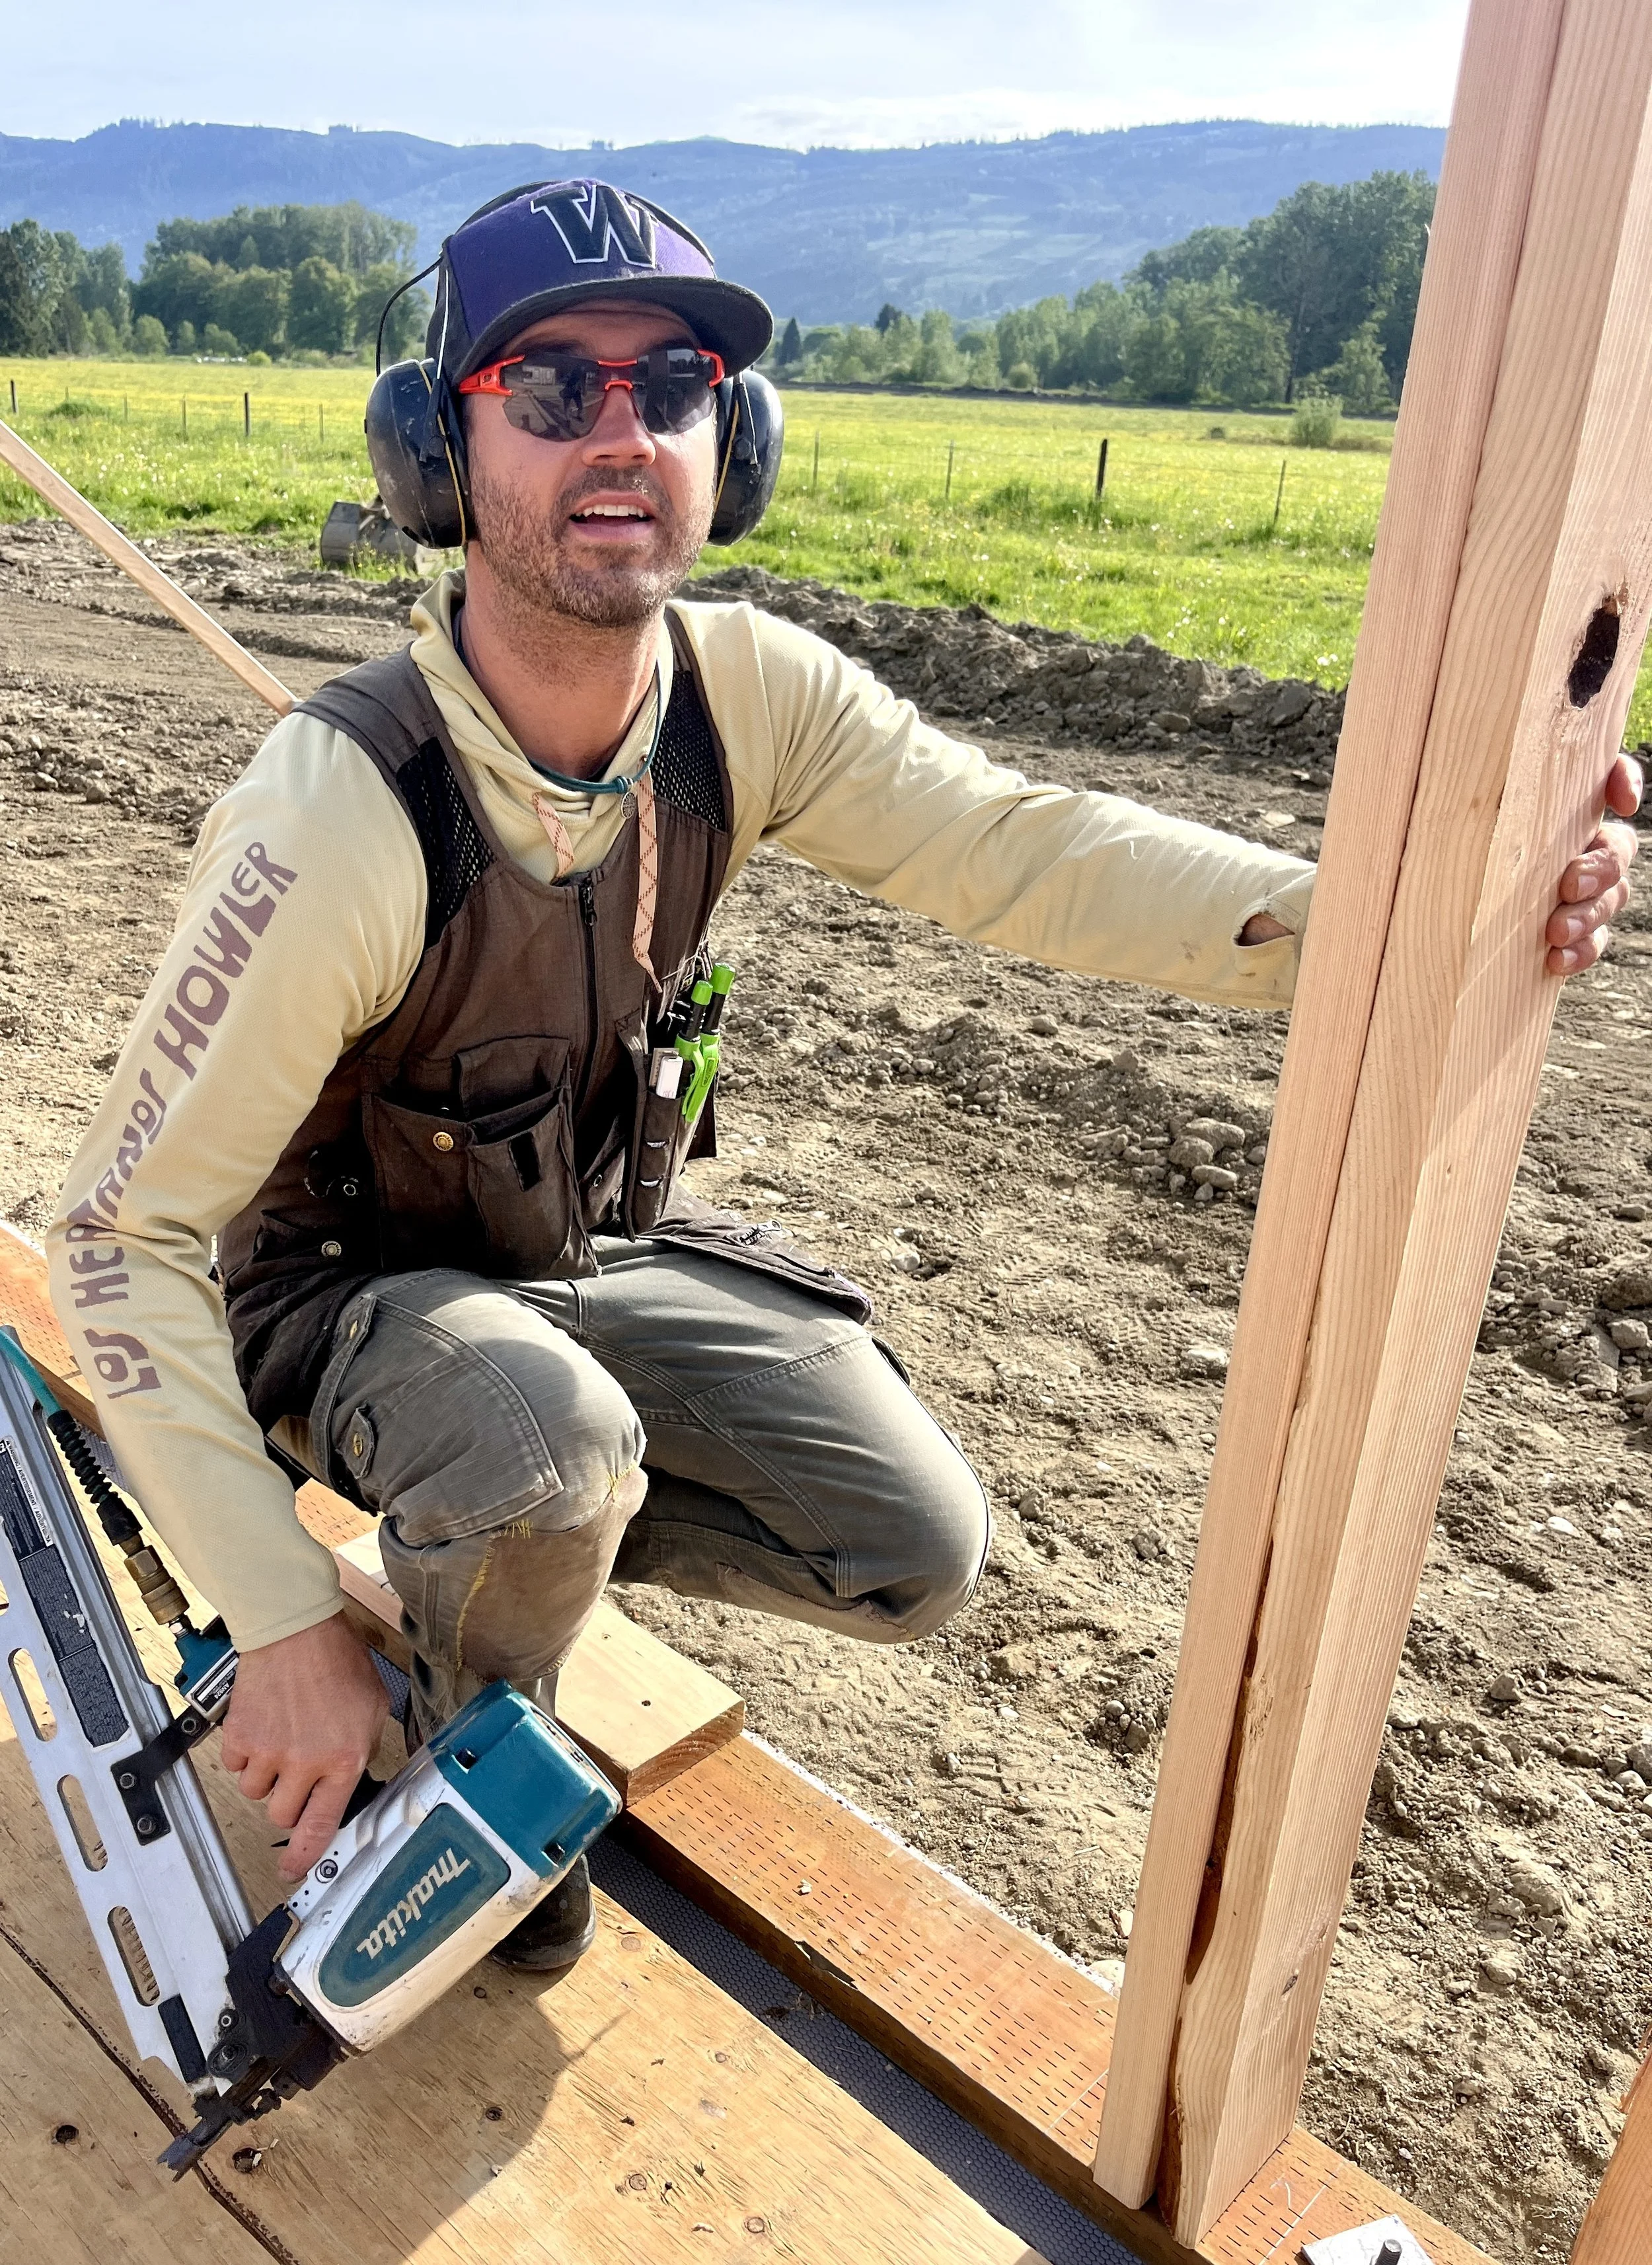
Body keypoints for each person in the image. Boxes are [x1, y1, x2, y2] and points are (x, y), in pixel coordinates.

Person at [46, 180, 1640, 1974]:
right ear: (437, 449)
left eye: (673, 386)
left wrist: (1397, 917)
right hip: (323, 1306)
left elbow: (1023, 846)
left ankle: (477, 1555)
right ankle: (461, 1746)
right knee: (542, 1447)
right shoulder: (341, 814)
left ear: (740, 443)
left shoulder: (748, 702)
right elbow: (117, 1240)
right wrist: (275, 1620)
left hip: (538, 1266)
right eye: (551, 391)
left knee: (908, 1540)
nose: (625, 433)